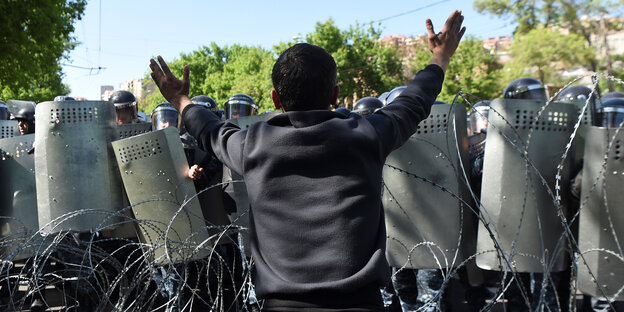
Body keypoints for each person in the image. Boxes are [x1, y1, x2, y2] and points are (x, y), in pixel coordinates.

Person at [149, 10, 465, 310]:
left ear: (276, 99)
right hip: (360, 302)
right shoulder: (366, 135)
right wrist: (440, 57)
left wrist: (179, 99)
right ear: (334, 95)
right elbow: (413, 103)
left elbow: (209, 130)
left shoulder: (252, 145)